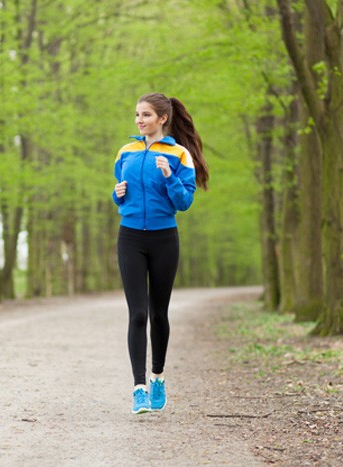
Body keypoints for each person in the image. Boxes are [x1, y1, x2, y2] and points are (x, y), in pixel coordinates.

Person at [112, 92, 209, 414]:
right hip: (130, 238)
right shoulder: (126, 151)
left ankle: (157, 378)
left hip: (164, 237)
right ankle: (138, 388)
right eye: (137, 114)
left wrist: (169, 177)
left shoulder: (180, 154)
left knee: (158, 313)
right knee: (137, 314)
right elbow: (122, 195)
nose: (139, 120)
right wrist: (117, 196)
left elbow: (184, 203)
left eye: (146, 115)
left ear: (162, 119)